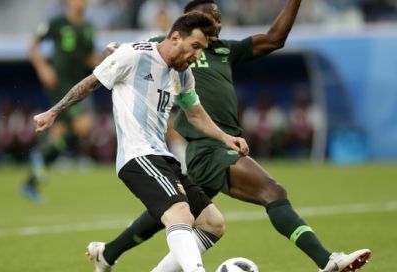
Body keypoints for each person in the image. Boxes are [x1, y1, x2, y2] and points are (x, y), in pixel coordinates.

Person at [87, 1, 371, 272]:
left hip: (218, 145)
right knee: (271, 191)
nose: (217, 25)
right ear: (188, 22)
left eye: (219, 20)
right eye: (209, 19)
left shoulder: (225, 50)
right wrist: (113, 50)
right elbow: (128, 53)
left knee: (171, 214)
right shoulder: (173, 47)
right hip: (208, 147)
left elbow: (275, 38)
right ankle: (327, 260)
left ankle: (108, 252)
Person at [33, 11, 250, 272]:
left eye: (202, 50)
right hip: (137, 156)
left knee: (212, 223)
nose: (198, 56)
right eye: (195, 47)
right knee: (180, 214)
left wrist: (226, 137)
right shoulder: (134, 55)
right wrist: (53, 111)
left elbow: (194, 112)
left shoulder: (183, 74)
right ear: (176, 37)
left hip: (163, 157)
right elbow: (90, 83)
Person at [21, 0, 101, 202]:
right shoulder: (56, 23)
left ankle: (31, 182)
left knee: (58, 135)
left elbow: (89, 57)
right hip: (60, 85)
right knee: (84, 126)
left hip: (78, 86)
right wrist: (42, 67)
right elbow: (32, 46)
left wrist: (109, 66)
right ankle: (41, 157)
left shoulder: (89, 28)